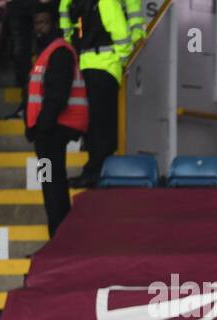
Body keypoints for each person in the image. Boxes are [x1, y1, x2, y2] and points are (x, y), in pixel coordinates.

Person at [25, 2, 87, 237]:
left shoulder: (58, 51)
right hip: (46, 135)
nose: (39, 28)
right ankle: (58, 240)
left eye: (44, 23)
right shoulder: (46, 52)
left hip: (53, 134)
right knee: (50, 187)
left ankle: (59, 240)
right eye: (37, 24)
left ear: (53, 24)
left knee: (54, 188)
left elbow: (57, 96)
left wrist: (41, 127)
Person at [60, 0, 129, 188]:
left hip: (104, 66)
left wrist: (120, 62)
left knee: (101, 125)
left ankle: (97, 172)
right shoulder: (83, 4)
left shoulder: (105, 2)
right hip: (88, 67)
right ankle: (94, 171)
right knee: (92, 124)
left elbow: (121, 34)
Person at [7, 0, 39, 119]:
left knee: (46, 47)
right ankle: (26, 104)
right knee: (20, 53)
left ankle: (36, 104)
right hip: (17, 5)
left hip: (38, 5)